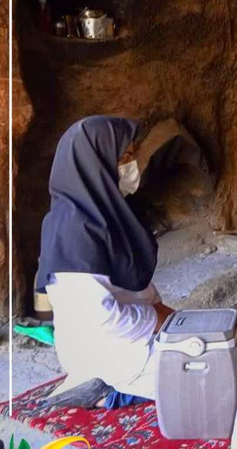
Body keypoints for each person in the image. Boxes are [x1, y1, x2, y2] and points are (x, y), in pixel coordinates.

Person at [36, 116, 176, 409]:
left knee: (215, 344)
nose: (131, 166)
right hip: (106, 346)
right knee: (204, 370)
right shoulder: (73, 228)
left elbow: (134, 285)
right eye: (122, 158)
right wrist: (157, 318)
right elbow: (103, 320)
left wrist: (166, 317)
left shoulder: (108, 210)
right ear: (95, 163)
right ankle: (106, 391)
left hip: (132, 330)